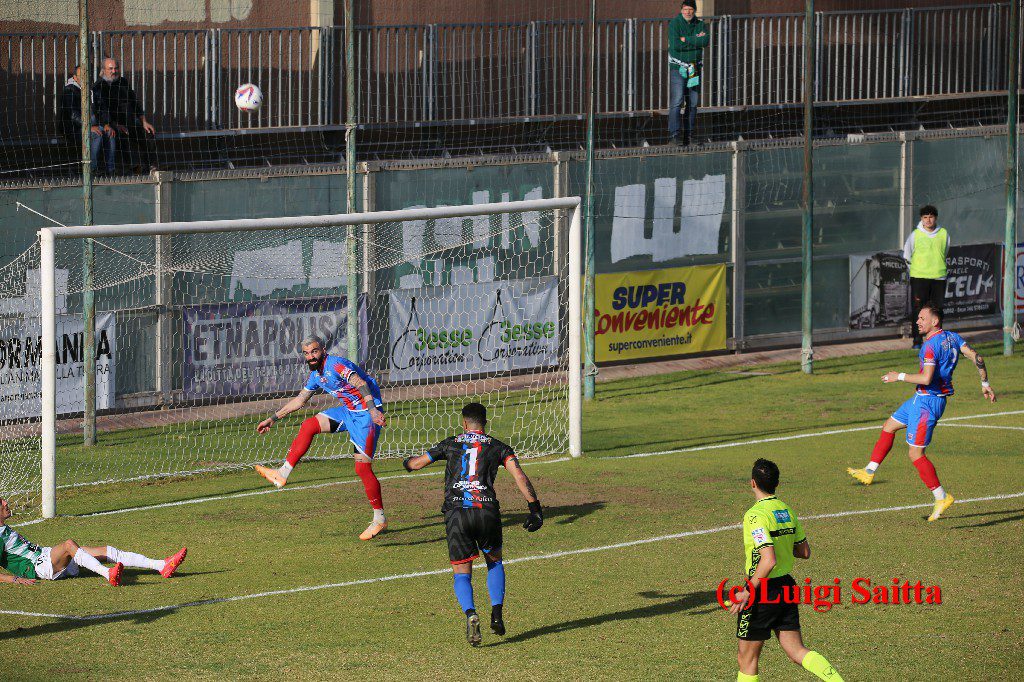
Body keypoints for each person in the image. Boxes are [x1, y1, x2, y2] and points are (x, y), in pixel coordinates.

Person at [402, 402, 543, 646]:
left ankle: (471, 613)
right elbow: (519, 475)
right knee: (494, 561)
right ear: (485, 423)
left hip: (457, 513)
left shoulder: (451, 443)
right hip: (486, 511)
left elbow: (417, 464)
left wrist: (408, 462)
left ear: (464, 423)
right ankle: (497, 614)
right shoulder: (499, 447)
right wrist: (534, 508)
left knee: (461, 573)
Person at [846, 303, 995, 521]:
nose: (917, 321)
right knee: (889, 426)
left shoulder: (930, 346)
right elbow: (977, 357)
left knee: (915, 454)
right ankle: (869, 471)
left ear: (935, 321)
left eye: (922, 318)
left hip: (929, 403)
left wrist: (899, 376)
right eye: (918, 318)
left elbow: (926, 378)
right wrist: (985, 383)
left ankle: (941, 496)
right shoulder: (953, 337)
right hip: (921, 399)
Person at [254, 336, 389, 541]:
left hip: (365, 415)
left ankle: (379, 519)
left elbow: (361, 383)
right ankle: (282, 474)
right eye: (307, 353)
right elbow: (300, 400)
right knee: (309, 425)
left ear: (323, 350)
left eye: (314, 351)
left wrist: (373, 410)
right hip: (348, 412)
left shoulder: (336, 365)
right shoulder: (316, 376)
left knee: (362, 468)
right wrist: (272, 418)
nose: (311, 356)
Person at [728, 459, 844, 682]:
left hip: (761, 591)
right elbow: (804, 552)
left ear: (753, 483)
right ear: (776, 483)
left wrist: (747, 591)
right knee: (796, 651)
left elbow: (768, 559)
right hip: (786, 588)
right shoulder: (786, 511)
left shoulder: (755, 516)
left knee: (747, 660)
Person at [0, 497, 186, 587]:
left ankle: (161, 565)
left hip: (46, 556)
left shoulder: (3, 529)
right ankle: (108, 575)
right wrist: (14, 579)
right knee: (68, 545)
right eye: (1, 502)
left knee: (107, 551)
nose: (6, 502)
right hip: (39, 567)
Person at [92, 57, 157, 173]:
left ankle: (151, 166)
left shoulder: (123, 82)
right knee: (123, 134)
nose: (114, 71)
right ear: (103, 70)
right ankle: (132, 168)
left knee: (148, 133)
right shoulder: (98, 86)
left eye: (116, 68)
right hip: (113, 123)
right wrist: (115, 124)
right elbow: (101, 111)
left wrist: (144, 121)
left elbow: (134, 102)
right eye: (110, 68)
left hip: (130, 121)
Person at [903, 205, 949, 348]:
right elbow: (907, 255)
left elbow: (945, 251)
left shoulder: (944, 233)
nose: (928, 220)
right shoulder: (915, 234)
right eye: (925, 217)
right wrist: (916, 271)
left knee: (938, 309)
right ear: (921, 219)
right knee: (918, 309)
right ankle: (917, 341)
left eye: (931, 217)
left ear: (935, 218)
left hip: (938, 278)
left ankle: (937, 341)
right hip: (919, 278)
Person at [59, 65, 115, 175]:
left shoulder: (92, 90)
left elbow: (101, 109)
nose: (85, 78)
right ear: (75, 78)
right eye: (81, 76)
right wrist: (88, 126)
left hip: (94, 125)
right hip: (75, 128)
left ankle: (111, 170)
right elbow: (73, 115)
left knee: (110, 132)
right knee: (96, 134)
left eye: (87, 75)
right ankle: (91, 169)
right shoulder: (69, 90)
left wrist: (106, 124)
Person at [667, 0, 709, 145]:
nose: (688, 12)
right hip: (678, 68)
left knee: (693, 102)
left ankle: (689, 135)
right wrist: (694, 42)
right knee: (677, 101)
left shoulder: (700, 24)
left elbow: (705, 41)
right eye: (685, 9)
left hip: (694, 69)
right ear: (681, 10)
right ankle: (674, 135)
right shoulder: (675, 24)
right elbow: (676, 45)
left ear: (694, 10)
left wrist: (687, 39)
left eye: (690, 9)